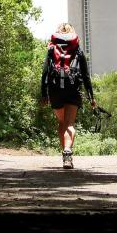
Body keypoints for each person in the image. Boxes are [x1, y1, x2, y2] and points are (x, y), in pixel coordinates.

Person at [40, 22, 96, 169]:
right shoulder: (77, 49)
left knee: (62, 123)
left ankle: (65, 153)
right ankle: (68, 151)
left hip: (55, 89)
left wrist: (44, 94)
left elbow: (45, 73)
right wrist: (91, 97)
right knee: (69, 124)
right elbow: (85, 76)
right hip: (73, 89)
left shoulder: (52, 49)